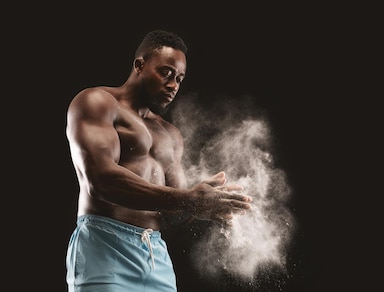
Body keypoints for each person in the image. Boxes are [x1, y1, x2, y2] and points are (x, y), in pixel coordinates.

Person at [65, 29, 253, 291]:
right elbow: (100, 179)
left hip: (156, 256)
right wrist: (188, 199)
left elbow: (172, 211)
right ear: (139, 65)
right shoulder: (97, 102)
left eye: (179, 78)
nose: (173, 84)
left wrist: (204, 202)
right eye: (165, 73)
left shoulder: (170, 134)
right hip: (103, 245)